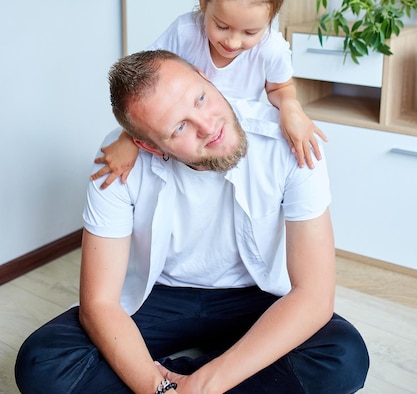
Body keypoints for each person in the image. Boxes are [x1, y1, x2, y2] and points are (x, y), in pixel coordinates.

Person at [15, 50, 369, 394]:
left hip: (254, 295)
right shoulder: (116, 161)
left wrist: (205, 383)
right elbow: (100, 305)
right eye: (179, 127)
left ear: (205, 77)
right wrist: (157, 387)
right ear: (150, 146)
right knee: (43, 363)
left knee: (343, 357)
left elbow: (314, 296)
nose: (208, 126)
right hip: (159, 295)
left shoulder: (289, 140)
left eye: (200, 99)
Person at [91, 0, 327, 189]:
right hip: (187, 148)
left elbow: (280, 86)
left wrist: (290, 107)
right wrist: (126, 138)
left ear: (271, 18)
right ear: (203, 0)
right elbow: (145, 90)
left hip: (231, 142)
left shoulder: (271, 47)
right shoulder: (185, 32)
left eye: (251, 32)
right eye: (222, 26)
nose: (233, 42)